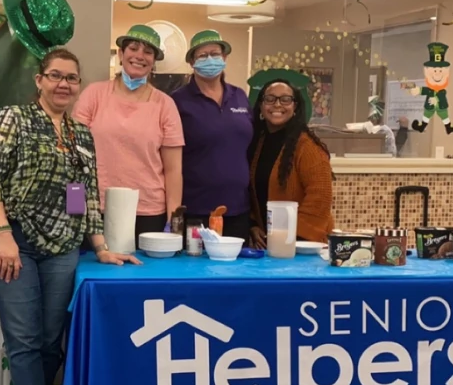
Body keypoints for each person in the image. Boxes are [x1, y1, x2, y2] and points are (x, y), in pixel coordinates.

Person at [0, 47, 139, 385]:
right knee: (25, 340)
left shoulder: (81, 134)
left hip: (62, 245)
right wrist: (4, 234)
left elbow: (81, 194)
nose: (64, 84)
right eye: (56, 76)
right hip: (12, 242)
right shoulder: (13, 119)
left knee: (51, 342)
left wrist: (100, 246)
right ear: (39, 80)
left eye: (72, 78)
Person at [74, 25, 184, 238]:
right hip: (96, 209)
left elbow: (173, 170)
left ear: (154, 62)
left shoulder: (165, 105)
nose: (139, 56)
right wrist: (75, 209)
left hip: (148, 212)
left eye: (148, 52)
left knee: (145, 271)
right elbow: (73, 157)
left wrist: (174, 221)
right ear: (121, 54)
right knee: (96, 270)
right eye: (133, 48)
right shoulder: (94, 95)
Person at [171, 29, 254, 243]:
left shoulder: (240, 97)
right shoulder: (178, 101)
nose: (210, 60)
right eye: (202, 55)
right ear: (191, 61)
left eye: (215, 54)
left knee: (235, 274)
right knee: (196, 273)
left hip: (238, 210)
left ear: (225, 57)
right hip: (195, 210)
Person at [248, 72, 334, 248]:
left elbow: (320, 197)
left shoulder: (308, 147)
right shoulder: (256, 143)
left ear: (295, 107)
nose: (277, 104)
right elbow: (249, 191)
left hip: (301, 247)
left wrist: (291, 238)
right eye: (270, 99)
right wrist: (253, 225)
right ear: (261, 106)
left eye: (285, 99)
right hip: (268, 246)